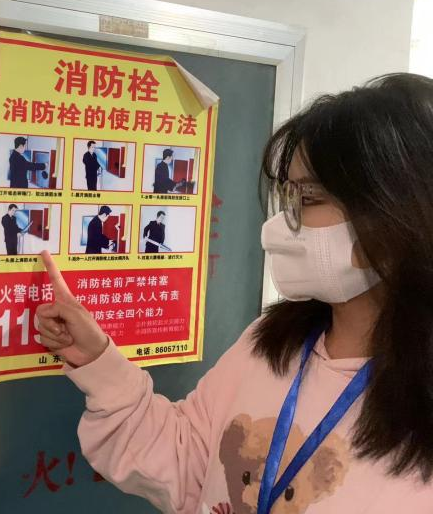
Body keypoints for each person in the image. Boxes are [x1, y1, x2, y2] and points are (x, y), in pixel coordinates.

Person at [36, 74, 433, 513]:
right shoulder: (271, 343)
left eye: (308, 199)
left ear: (399, 212)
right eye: (287, 196)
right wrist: (97, 360)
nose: (281, 225)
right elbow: (188, 462)